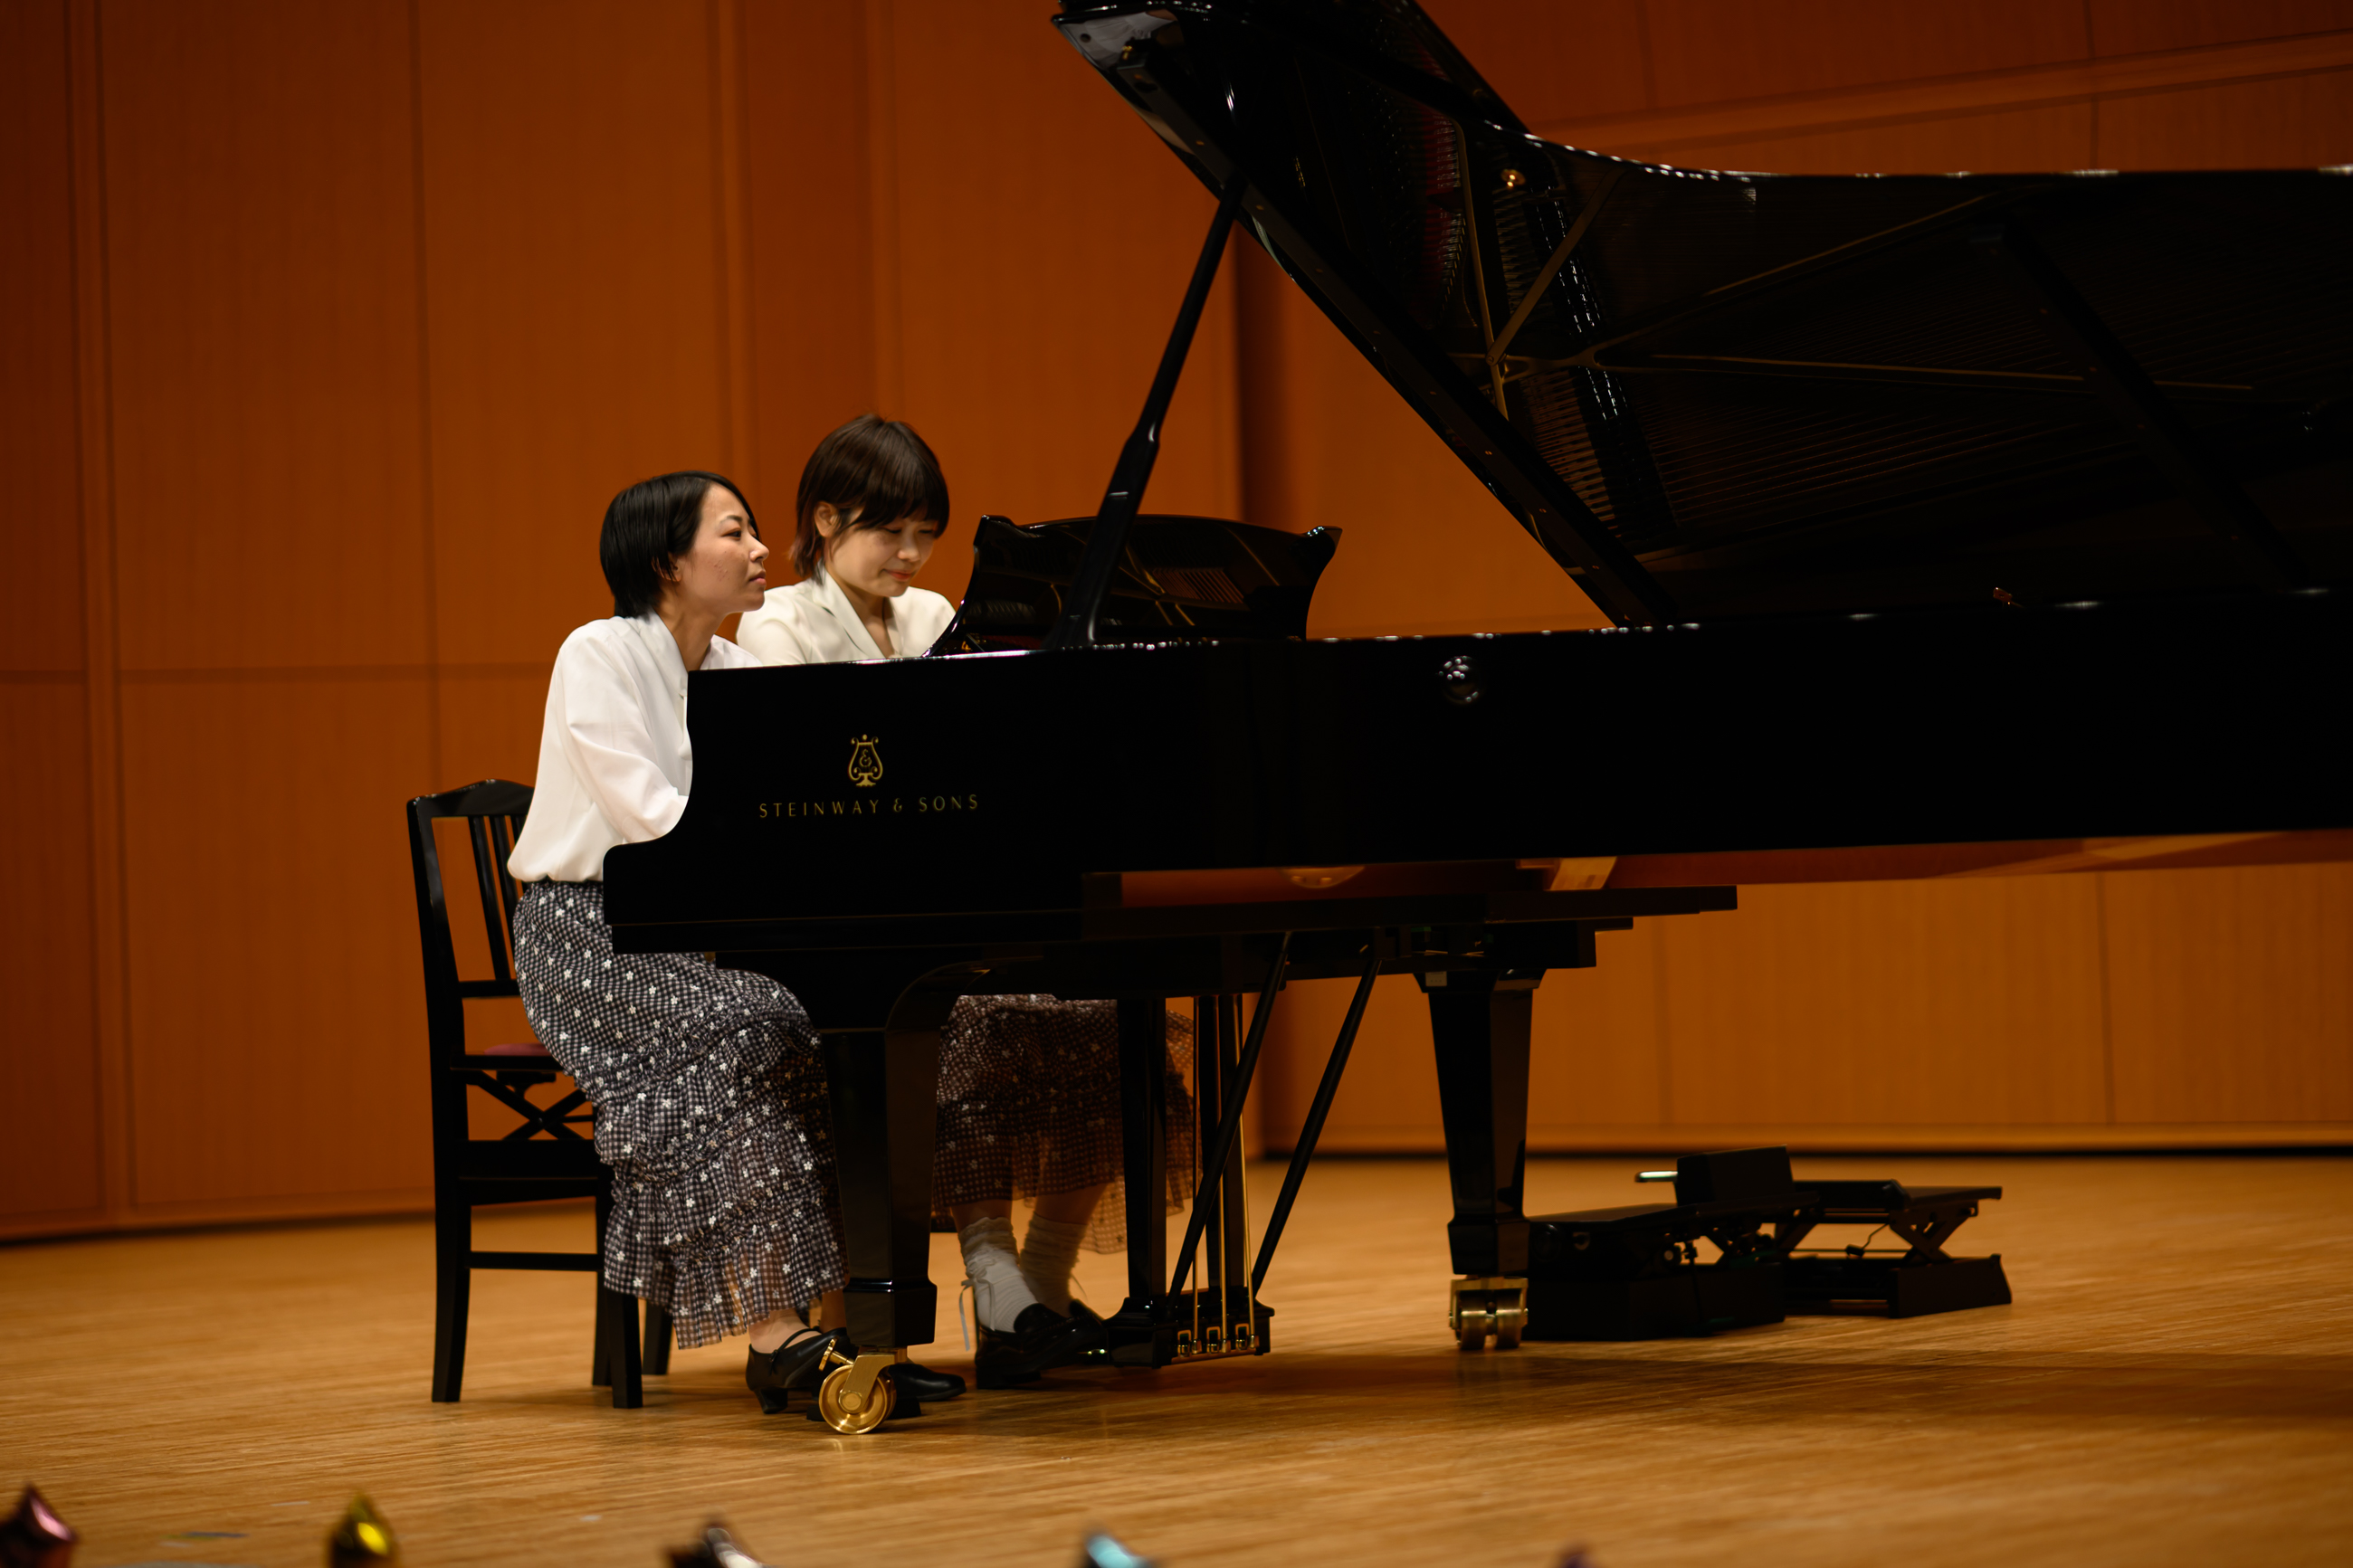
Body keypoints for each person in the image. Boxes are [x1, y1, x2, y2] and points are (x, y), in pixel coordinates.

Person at [738, 416, 1193, 1389]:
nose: (909, 555)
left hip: (955, 902)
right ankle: (990, 1272)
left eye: (923, 534)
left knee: (1114, 1023)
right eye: (889, 532)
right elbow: (798, 800)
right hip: (844, 921)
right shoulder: (773, 628)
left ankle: (1035, 1284)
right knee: (965, 1023)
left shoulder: (937, 613)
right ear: (824, 518)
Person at [503, 468, 963, 1418]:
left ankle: (852, 1340)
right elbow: (652, 821)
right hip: (588, 937)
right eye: (734, 532)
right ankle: (772, 1333)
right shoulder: (598, 651)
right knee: (752, 1023)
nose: (762, 551)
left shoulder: (736, 674)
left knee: (836, 1030)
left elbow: (786, 825)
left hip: (697, 934)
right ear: (667, 559)